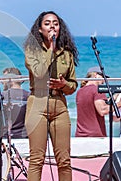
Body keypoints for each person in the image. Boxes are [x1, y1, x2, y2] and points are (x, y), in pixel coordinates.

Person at [24, 11, 79, 181]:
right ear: (40, 29)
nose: (52, 26)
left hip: (59, 105)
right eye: (47, 23)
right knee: (37, 159)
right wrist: (51, 50)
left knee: (64, 160)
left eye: (55, 23)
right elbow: (39, 72)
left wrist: (64, 85)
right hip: (38, 104)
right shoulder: (31, 50)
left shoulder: (67, 53)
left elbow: (73, 85)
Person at [76, 66, 121, 137]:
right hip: (95, 136)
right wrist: (120, 103)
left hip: (80, 134)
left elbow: (91, 107)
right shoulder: (97, 90)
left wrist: (111, 98)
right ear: (95, 75)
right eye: (102, 77)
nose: (103, 81)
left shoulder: (80, 91)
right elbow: (103, 110)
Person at [1, 67, 30, 138]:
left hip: (7, 135)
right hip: (25, 134)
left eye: (4, 79)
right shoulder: (29, 95)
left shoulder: (2, 95)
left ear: (10, 80)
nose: (2, 82)